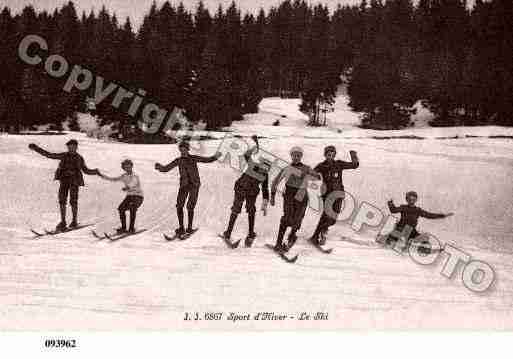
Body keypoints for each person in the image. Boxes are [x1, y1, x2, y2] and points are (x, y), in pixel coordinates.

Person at [28, 139, 100, 231]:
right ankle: (63, 221)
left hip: (74, 182)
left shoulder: (79, 158)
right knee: (62, 201)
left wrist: (95, 171)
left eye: (73, 147)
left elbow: (85, 170)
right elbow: (49, 155)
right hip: (64, 181)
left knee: (73, 201)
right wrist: (36, 148)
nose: (71, 148)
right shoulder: (63, 155)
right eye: (69, 147)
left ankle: (74, 220)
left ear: (76, 147)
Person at [155, 141, 222, 236]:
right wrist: (159, 167)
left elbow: (207, 160)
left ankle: (189, 228)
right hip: (184, 185)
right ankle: (181, 227)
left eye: (184, 149)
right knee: (179, 205)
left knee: (190, 206)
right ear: (179, 150)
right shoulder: (178, 160)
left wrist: (215, 157)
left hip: (194, 185)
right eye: (181, 149)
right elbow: (166, 168)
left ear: (188, 149)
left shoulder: (193, 158)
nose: (183, 151)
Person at [270, 146, 321, 252]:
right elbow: (275, 182)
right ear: (291, 156)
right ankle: (278, 243)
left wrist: (311, 175)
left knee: (298, 219)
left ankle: (291, 238)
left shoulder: (306, 168)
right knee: (286, 218)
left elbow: (317, 178)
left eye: (298, 155)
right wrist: (272, 196)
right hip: (289, 195)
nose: (296, 157)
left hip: (301, 195)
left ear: (301, 156)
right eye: (294, 155)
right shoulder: (287, 169)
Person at [222, 145, 270, 246]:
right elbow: (246, 155)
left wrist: (265, 204)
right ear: (260, 164)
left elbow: (265, 190)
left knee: (251, 210)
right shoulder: (253, 165)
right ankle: (228, 233)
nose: (265, 169)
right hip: (241, 188)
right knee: (236, 208)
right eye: (264, 166)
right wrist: (253, 148)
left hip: (252, 193)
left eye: (267, 168)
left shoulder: (265, 175)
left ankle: (251, 233)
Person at [310, 145, 359, 245]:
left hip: (339, 194)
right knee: (326, 216)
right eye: (328, 154)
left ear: (335, 155)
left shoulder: (339, 164)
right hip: (328, 195)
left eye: (332, 154)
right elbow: (311, 174)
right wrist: (318, 178)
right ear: (325, 155)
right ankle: (317, 236)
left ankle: (320, 233)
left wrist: (353, 154)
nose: (330, 156)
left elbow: (355, 165)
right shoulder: (321, 165)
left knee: (332, 220)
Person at [386, 191, 454, 249]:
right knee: (391, 239)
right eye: (409, 199)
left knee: (425, 239)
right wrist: (390, 202)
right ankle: (396, 242)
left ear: (416, 200)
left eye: (413, 199)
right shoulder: (403, 207)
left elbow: (429, 215)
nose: (411, 201)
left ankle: (420, 248)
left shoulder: (418, 210)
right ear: (407, 200)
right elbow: (393, 210)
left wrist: (443, 215)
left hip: (412, 231)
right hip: (401, 229)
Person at [98, 159, 144, 234]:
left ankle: (131, 228)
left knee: (133, 208)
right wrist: (103, 176)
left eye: (129, 166)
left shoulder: (135, 175)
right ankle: (123, 228)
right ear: (124, 168)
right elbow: (113, 179)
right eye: (126, 167)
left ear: (132, 166)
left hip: (138, 196)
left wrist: (127, 187)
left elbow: (133, 182)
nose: (128, 168)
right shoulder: (124, 176)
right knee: (121, 208)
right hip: (129, 196)